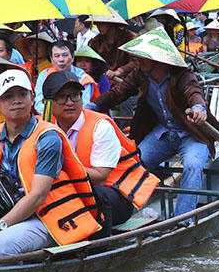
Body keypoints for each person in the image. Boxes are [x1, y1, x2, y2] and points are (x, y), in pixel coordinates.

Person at [0, 69, 102, 259]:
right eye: (8, 96)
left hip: (45, 217)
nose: (16, 100)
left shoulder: (48, 137)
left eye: (22, 94)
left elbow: (38, 196)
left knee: (0, 244)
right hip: (4, 210)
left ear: (32, 98)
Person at [92, 29, 219, 216]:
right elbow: (117, 93)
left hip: (191, 134)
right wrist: (90, 107)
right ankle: (123, 211)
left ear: (158, 59)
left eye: (144, 56)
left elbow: (194, 92)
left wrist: (199, 109)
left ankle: (183, 219)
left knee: (193, 166)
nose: (138, 60)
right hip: (163, 134)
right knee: (134, 164)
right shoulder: (141, 74)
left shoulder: (182, 75)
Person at [43, 71, 159, 234]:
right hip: (69, 193)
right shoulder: (44, 128)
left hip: (112, 195)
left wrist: (59, 166)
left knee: (97, 194)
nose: (70, 103)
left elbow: (100, 177)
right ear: (47, 102)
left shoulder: (100, 126)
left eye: (75, 96)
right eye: (62, 97)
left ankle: (101, 243)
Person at [33, 41, 97, 115]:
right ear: (51, 59)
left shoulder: (83, 78)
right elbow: (38, 104)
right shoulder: (44, 75)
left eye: (65, 55)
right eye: (57, 56)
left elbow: (84, 106)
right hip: (51, 117)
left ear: (72, 58)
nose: (61, 59)